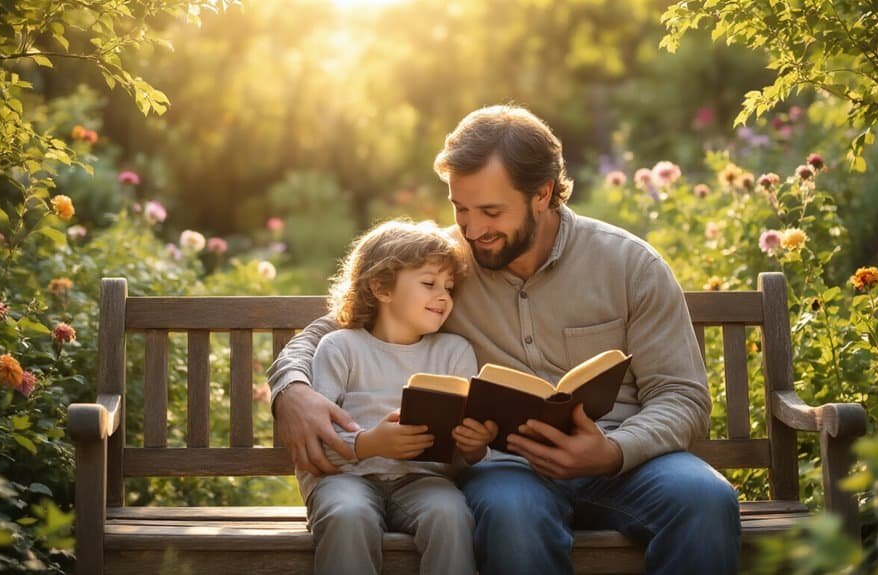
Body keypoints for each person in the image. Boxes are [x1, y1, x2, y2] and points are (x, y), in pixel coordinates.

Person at [268, 105, 741, 574]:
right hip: (508, 468)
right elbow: (338, 327)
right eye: (460, 209)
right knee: (510, 515)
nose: (472, 229)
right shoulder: (447, 263)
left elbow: (682, 396)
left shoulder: (630, 266)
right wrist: (292, 389)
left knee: (706, 500)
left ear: (543, 194)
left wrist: (614, 451)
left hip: (624, 459)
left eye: (491, 211)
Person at [297, 218, 497, 575]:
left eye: (449, 288)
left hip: (424, 480)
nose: (443, 297)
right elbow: (318, 442)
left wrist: (474, 445)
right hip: (346, 480)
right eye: (428, 283)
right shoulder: (341, 347)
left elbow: (467, 454)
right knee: (348, 516)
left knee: (451, 516)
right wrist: (371, 444)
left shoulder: (454, 351)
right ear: (382, 288)